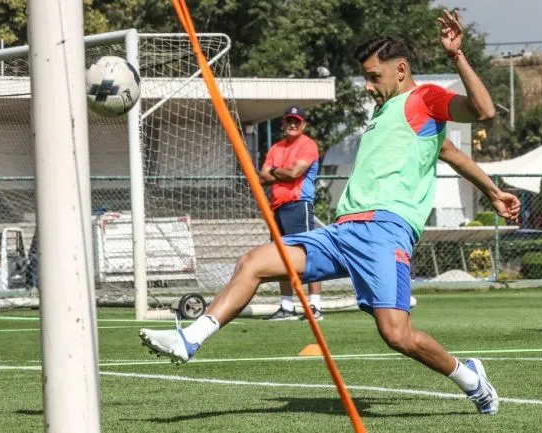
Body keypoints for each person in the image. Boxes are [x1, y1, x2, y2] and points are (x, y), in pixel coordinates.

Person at [139, 9, 520, 415]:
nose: (369, 86)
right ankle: (190, 338)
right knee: (253, 262)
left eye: (374, 76)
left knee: (397, 335)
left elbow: (483, 111)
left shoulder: (423, 98)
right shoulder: (386, 115)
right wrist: (494, 190)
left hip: (385, 231)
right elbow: (449, 153)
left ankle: (470, 378)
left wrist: (456, 56)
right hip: (342, 232)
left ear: (402, 70)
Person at [258, 106, 324, 321]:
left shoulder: (308, 145)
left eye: (297, 121)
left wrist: (276, 172)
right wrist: (283, 174)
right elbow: (262, 177)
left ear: (303, 124)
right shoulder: (276, 148)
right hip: (277, 207)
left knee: (307, 254)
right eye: (289, 121)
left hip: (299, 205)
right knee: (281, 258)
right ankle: (287, 306)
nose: (293, 125)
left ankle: (314, 306)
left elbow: (295, 172)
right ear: (283, 124)